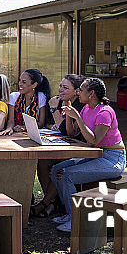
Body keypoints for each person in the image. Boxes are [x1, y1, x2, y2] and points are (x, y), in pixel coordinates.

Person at [49, 77, 126, 233]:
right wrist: (70, 116)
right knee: (55, 170)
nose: (79, 92)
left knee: (67, 175)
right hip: (95, 154)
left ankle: (75, 219)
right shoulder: (86, 109)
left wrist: (77, 116)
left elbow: (94, 140)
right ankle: (69, 213)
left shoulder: (105, 112)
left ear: (91, 94)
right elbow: (72, 133)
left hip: (111, 158)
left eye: (81, 90)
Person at [31, 74, 85, 218]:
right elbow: (53, 125)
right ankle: (52, 202)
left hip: (79, 149)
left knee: (60, 165)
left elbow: (67, 131)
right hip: (64, 144)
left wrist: (54, 109)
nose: (60, 89)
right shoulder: (62, 101)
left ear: (77, 91)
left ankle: (45, 203)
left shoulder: (80, 105)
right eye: (60, 85)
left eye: (65, 87)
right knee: (42, 162)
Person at [0, 68, 50, 135]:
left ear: (34, 85)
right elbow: (11, 121)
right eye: (20, 81)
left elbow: (41, 123)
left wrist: (25, 128)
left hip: (33, 135)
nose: (20, 84)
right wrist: (9, 128)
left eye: (24, 82)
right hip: (16, 134)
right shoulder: (14, 96)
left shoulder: (41, 97)